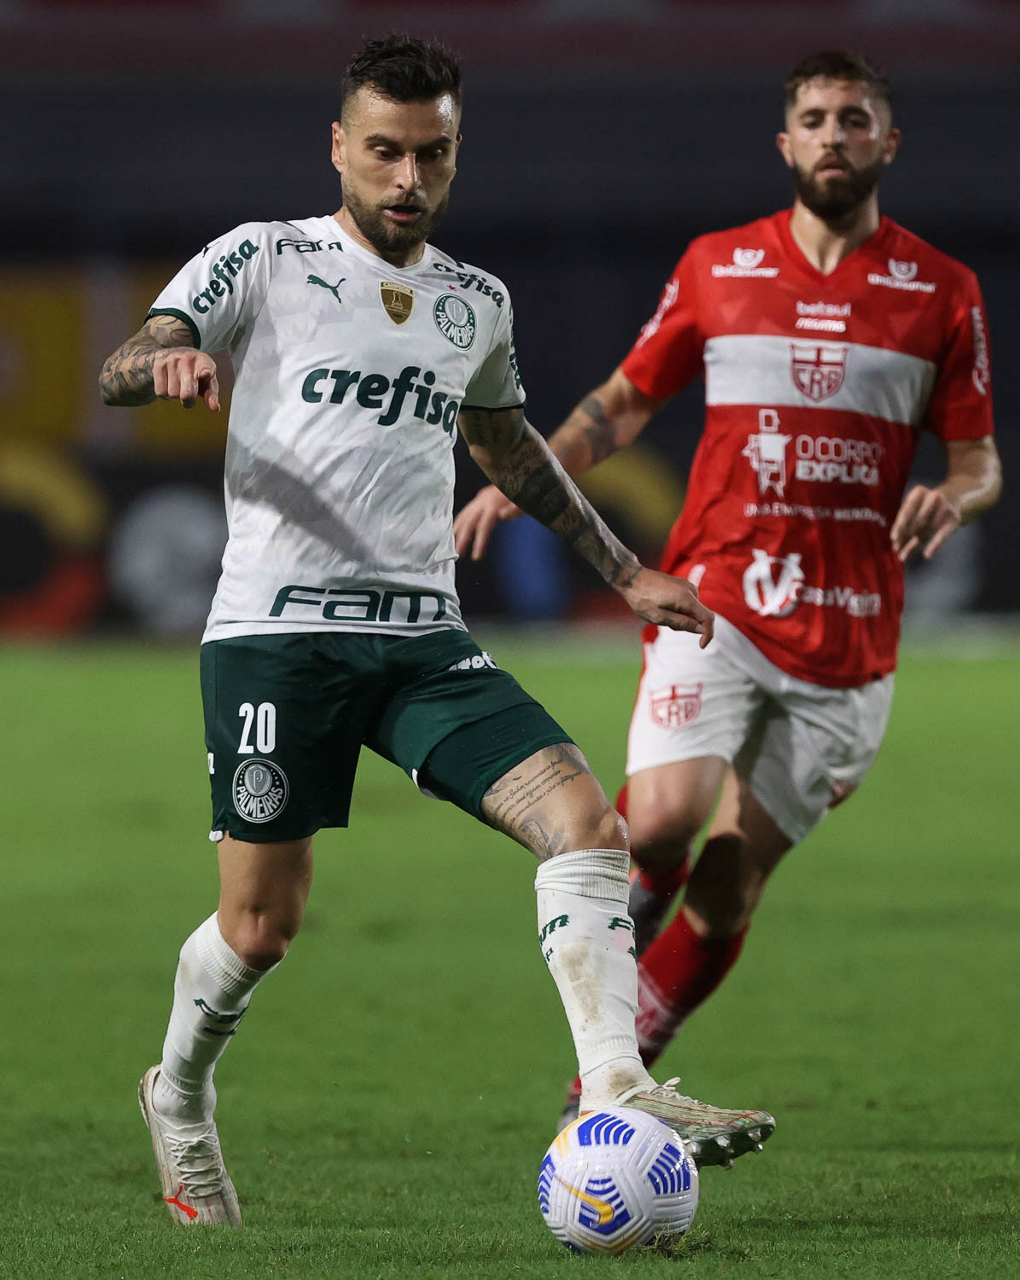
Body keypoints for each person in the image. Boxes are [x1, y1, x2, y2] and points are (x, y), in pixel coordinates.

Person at [99, 35, 774, 1227]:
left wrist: (624, 570)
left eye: (432, 154)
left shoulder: (475, 302)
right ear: (338, 147)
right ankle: (180, 1092)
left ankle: (618, 1083)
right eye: (385, 152)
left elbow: (506, 447)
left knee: (586, 821)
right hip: (275, 638)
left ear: (456, 153)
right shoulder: (264, 257)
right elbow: (127, 357)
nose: (408, 178)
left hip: (422, 642)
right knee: (261, 926)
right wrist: (169, 356)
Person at [454, 49, 1001, 1128]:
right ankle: (612, 1063)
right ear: (786, 142)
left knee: (730, 880)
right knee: (658, 821)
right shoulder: (719, 265)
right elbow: (625, 400)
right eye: (816, 117)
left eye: (855, 118)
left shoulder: (943, 290)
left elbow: (982, 461)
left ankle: (605, 1089)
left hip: (850, 638)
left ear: (887, 143)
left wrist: (956, 494)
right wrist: (531, 477)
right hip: (721, 599)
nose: (835, 134)